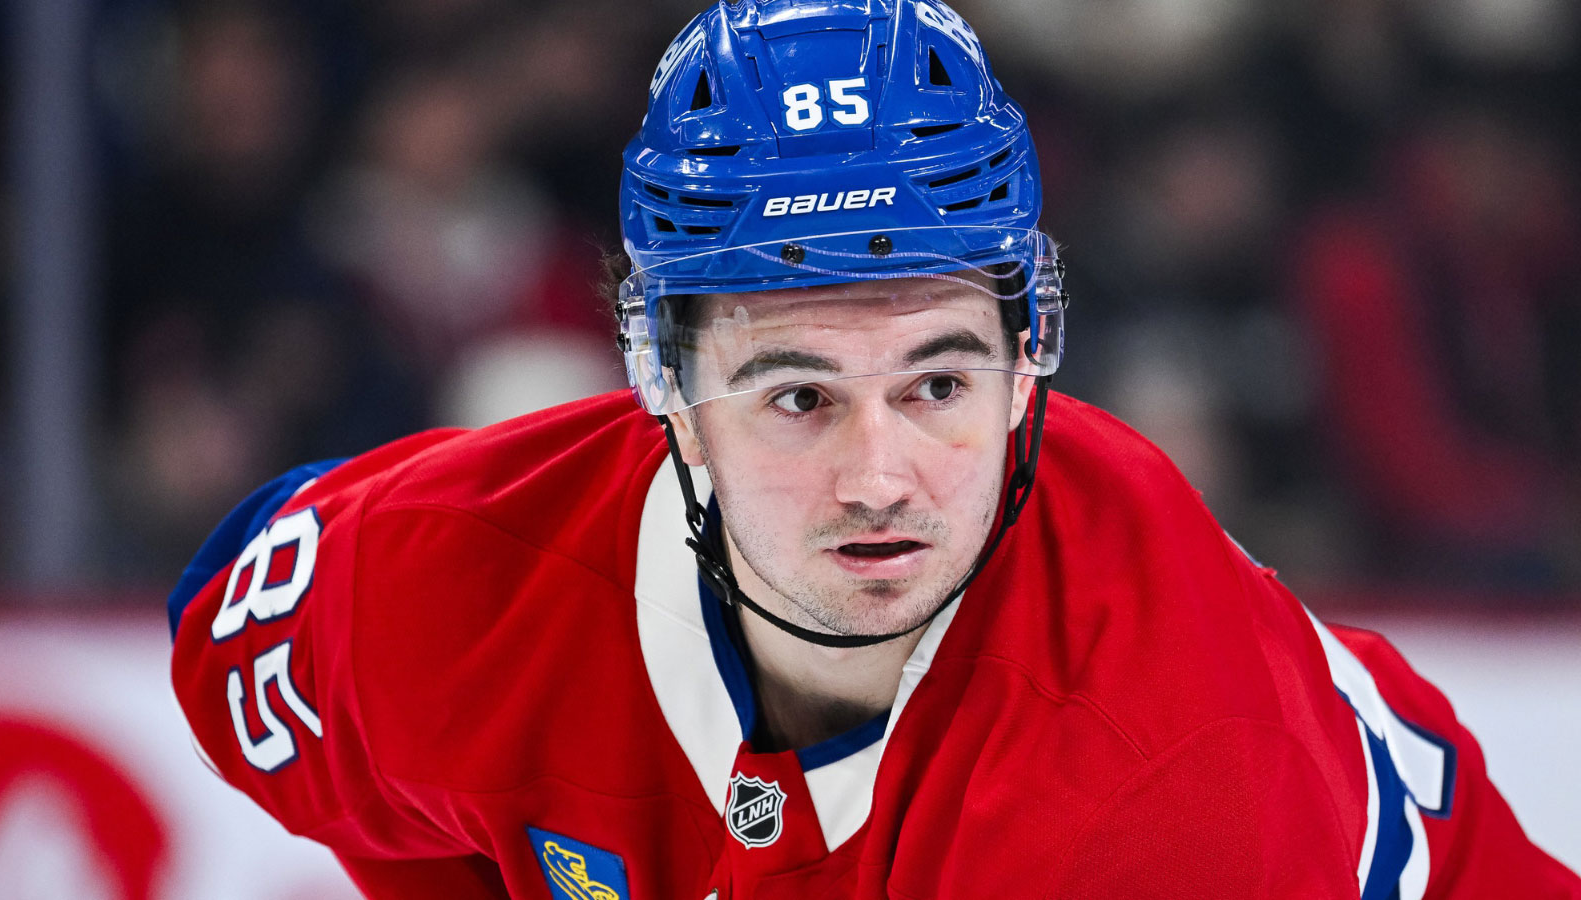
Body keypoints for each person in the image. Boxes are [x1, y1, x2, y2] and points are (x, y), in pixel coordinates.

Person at [167, 1, 1581, 897]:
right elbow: (231, 642)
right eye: (797, 395)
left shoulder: (1159, 790)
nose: (881, 478)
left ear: (1028, 365)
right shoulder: (442, 582)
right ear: (668, 388)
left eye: (939, 382)